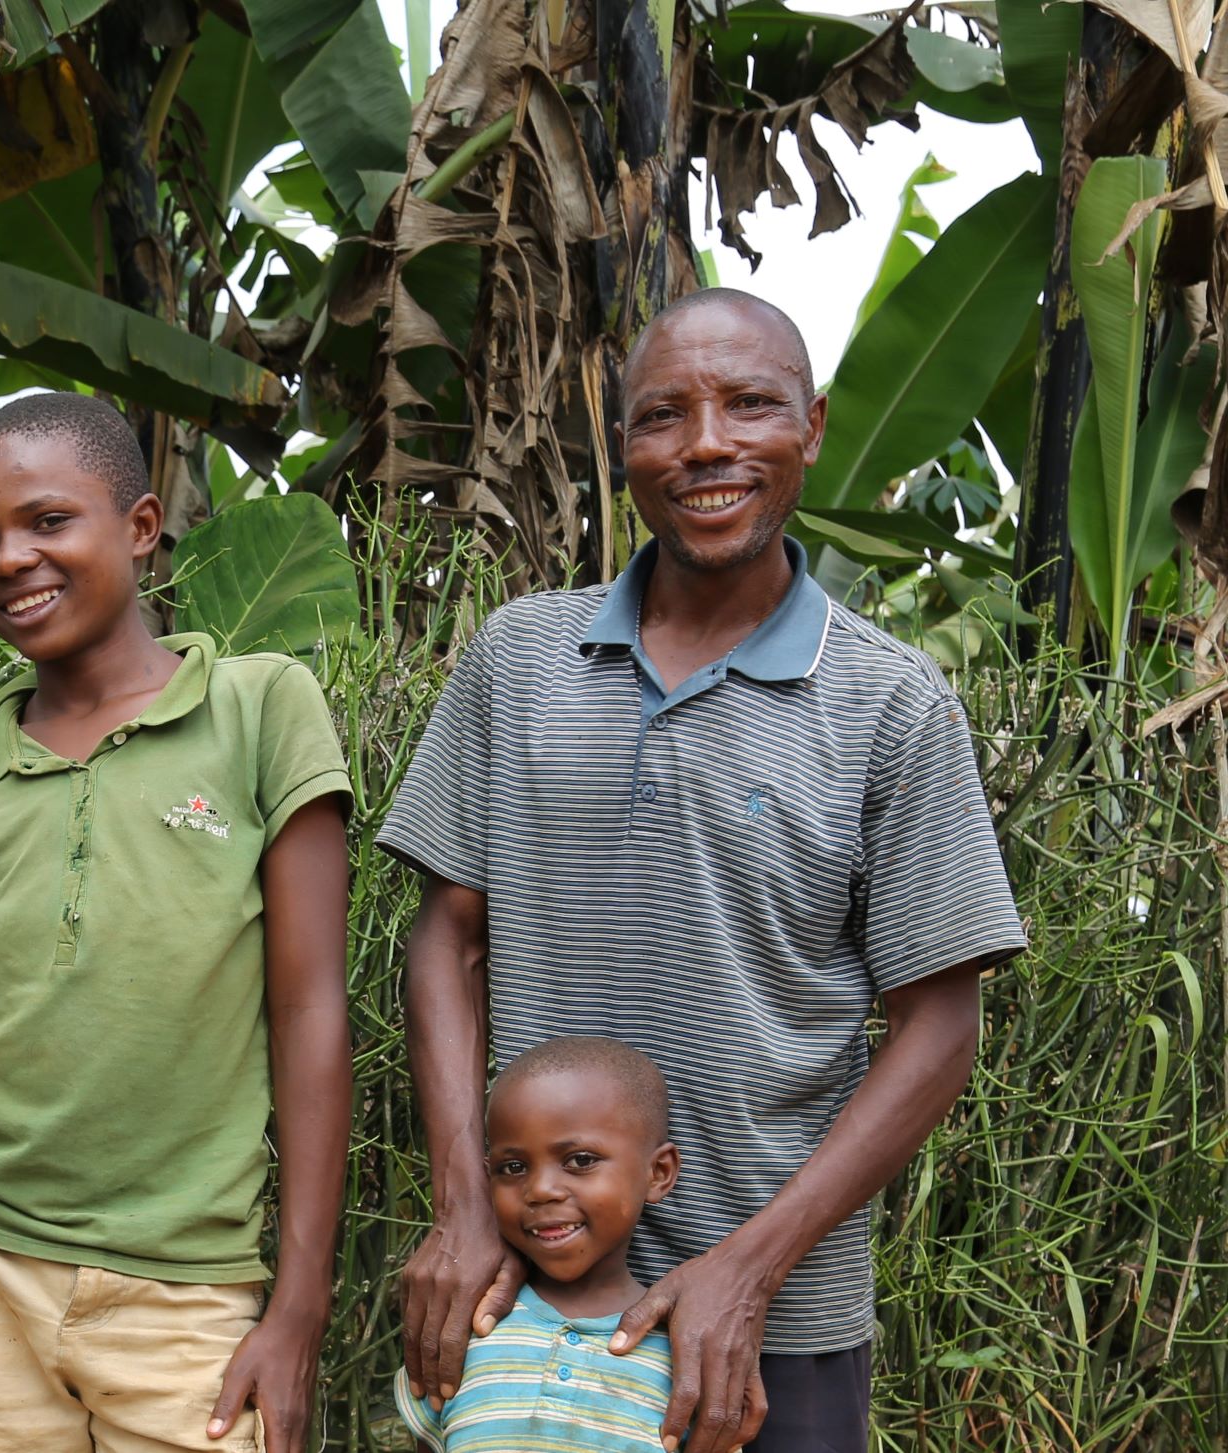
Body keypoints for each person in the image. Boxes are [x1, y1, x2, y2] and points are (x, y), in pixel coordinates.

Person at [383, 288, 1026, 1453]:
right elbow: (447, 936)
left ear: (813, 427)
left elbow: (940, 1026)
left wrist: (749, 1264)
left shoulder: (890, 702)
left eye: (750, 405)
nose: (708, 443)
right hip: (527, 1295)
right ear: (621, 442)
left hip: (772, 1325)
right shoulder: (518, 656)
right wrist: (466, 1206)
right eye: (664, 415)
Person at [0, 392, 355, 1453]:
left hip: (185, 1281)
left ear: (140, 523)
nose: (10, 559)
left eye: (46, 521)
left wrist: (297, 1304)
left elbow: (309, 1011)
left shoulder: (259, 708)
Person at [394, 1037, 681, 1452]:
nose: (541, 1190)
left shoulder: (686, 1357)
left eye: (580, 1161)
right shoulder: (464, 1330)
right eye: (513, 1167)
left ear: (657, 1173)